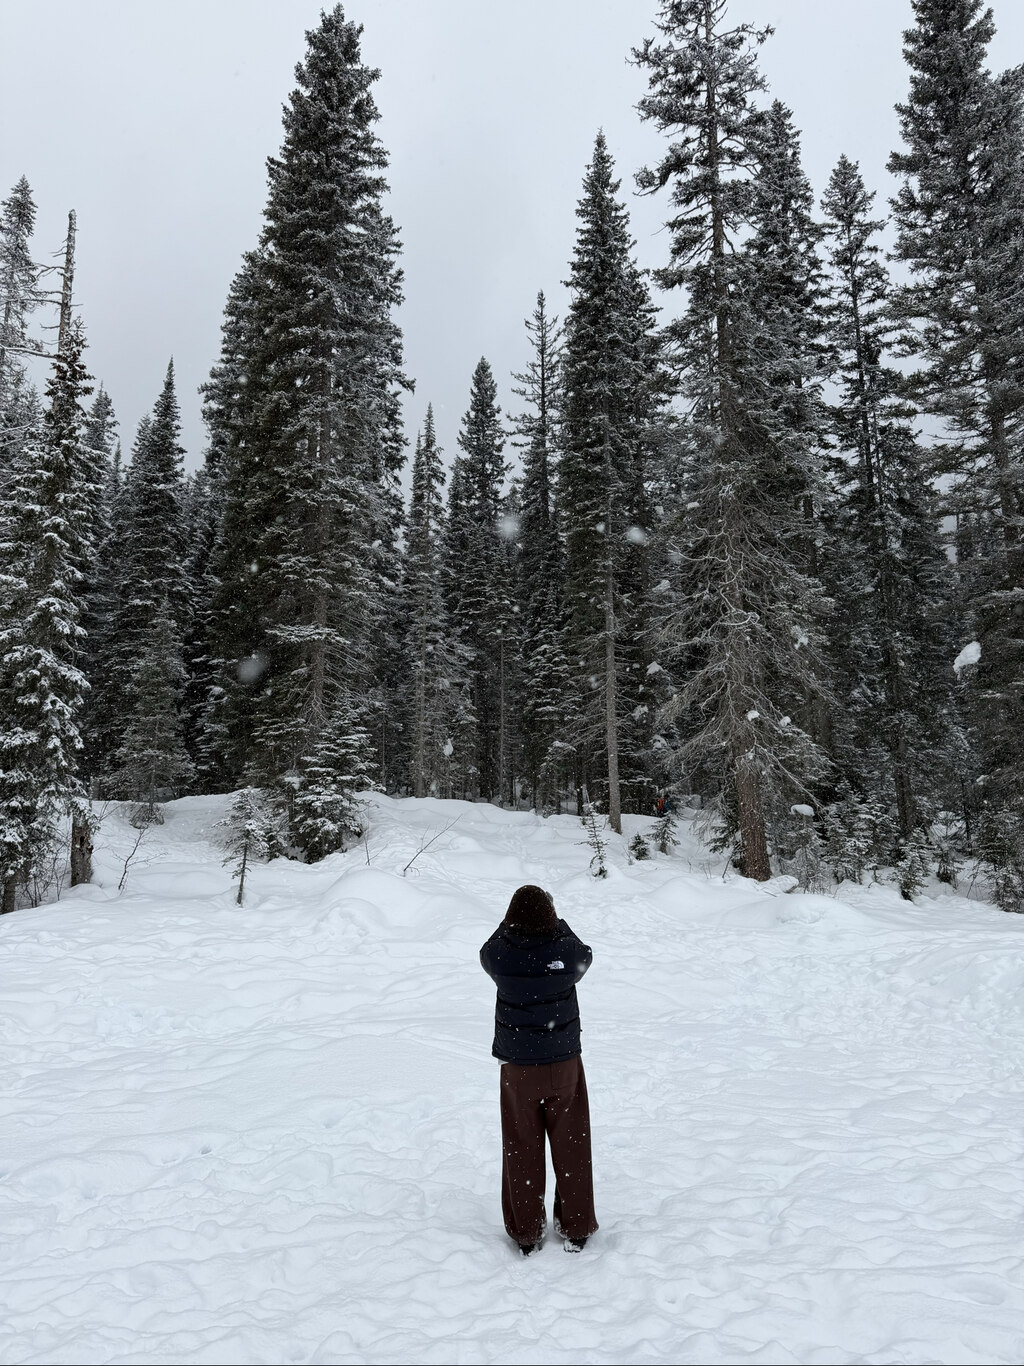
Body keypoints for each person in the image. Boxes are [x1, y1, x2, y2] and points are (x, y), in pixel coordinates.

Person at [479, 884, 598, 1256]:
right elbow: (585, 955)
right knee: (572, 1144)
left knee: (521, 1147)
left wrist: (507, 925)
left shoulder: (501, 958)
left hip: (518, 1068)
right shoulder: (565, 953)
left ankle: (527, 1232)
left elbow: (486, 950)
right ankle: (576, 1226)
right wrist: (558, 922)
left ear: (512, 918)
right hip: (563, 1063)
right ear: (550, 916)